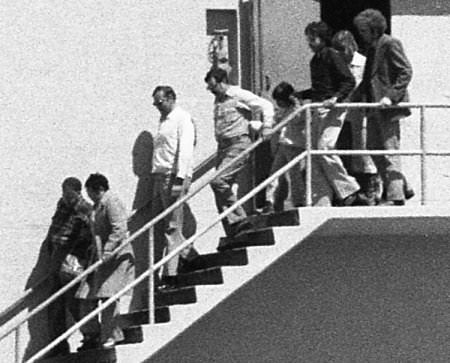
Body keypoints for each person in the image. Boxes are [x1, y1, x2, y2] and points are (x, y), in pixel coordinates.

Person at [295, 21, 371, 206]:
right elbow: (320, 89)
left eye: (313, 39)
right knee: (314, 153)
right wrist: (300, 95)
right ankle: (323, 198)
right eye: (309, 39)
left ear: (322, 38)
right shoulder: (316, 60)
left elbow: (348, 81)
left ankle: (350, 189)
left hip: (333, 109)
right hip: (319, 107)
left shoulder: (332, 55)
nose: (310, 43)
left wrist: (336, 99)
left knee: (325, 147)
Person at [354, 9, 414, 205]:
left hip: (387, 107)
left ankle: (395, 196)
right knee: (372, 147)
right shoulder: (372, 48)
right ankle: (402, 185)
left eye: (364, 30)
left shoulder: (389, 43)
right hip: (373, 106)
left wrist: (391, 97)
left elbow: (405, 71)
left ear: (374, 29)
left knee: (389, 149)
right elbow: (368, 79)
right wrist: (350, 99)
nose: (361, 34)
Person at [204, 67, 274, 236]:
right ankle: (235, 231)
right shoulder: (219, 99)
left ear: (222, 82)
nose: (212, 91)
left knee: (218, 181)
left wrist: (266, 126)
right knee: (220, 187)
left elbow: (265, 105)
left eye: (214, 87)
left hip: (238, 144)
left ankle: (242, 220)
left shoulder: (237, 94)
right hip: (224, 147)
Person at [76, 173, 135, 350]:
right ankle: (92, 333)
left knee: (109, 297)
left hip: (116, 258)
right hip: (100, 259)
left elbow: (119, 227)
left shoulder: (111, 201)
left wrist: (109, 249)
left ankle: (112, 335)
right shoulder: (97, 206)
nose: (90, 197)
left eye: (90, 193)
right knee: (85, 296)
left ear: (99, 189)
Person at [150, 85, 198, 288]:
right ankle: (189, 256)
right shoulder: (163, 121)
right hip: (161, 177)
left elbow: (185, 149)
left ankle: (171, 274)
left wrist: (180, 178)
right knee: (167, 225)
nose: (157, 107)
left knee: (172, 226)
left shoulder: (182, 118)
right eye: (155, 104)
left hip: (173, 177)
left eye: (160, 103)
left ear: (171, 98)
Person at [264, 81, 333, 212]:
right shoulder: (282, 111)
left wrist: (296, 103)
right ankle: (270, 201)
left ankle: (298, 201)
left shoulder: (300, 109)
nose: (278, 103)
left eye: (280, 100)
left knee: (295, 175)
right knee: (274, 174)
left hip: (295, 145)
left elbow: (296, 119)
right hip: (283, 145)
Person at [45, 177, 93, 357]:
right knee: (55, 303)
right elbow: (55, 228)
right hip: (57, 259)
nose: (65, 198)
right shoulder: (62, 205)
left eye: (69, 195)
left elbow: (91, 237)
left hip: (73, 260)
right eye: (63, 194)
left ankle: (91, 336)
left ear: (78, 192)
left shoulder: (85, 209)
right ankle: (58, 345)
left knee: (75, 303)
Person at [331, 30, 380, 204]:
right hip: (343, 114)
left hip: (361, 113)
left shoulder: (364, 64)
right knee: (342, 151)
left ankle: (371, 191)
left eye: (343, 50)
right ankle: (350, 192)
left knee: (364, 151)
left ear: (351, 47)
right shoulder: (337, 63)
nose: (341, 54)